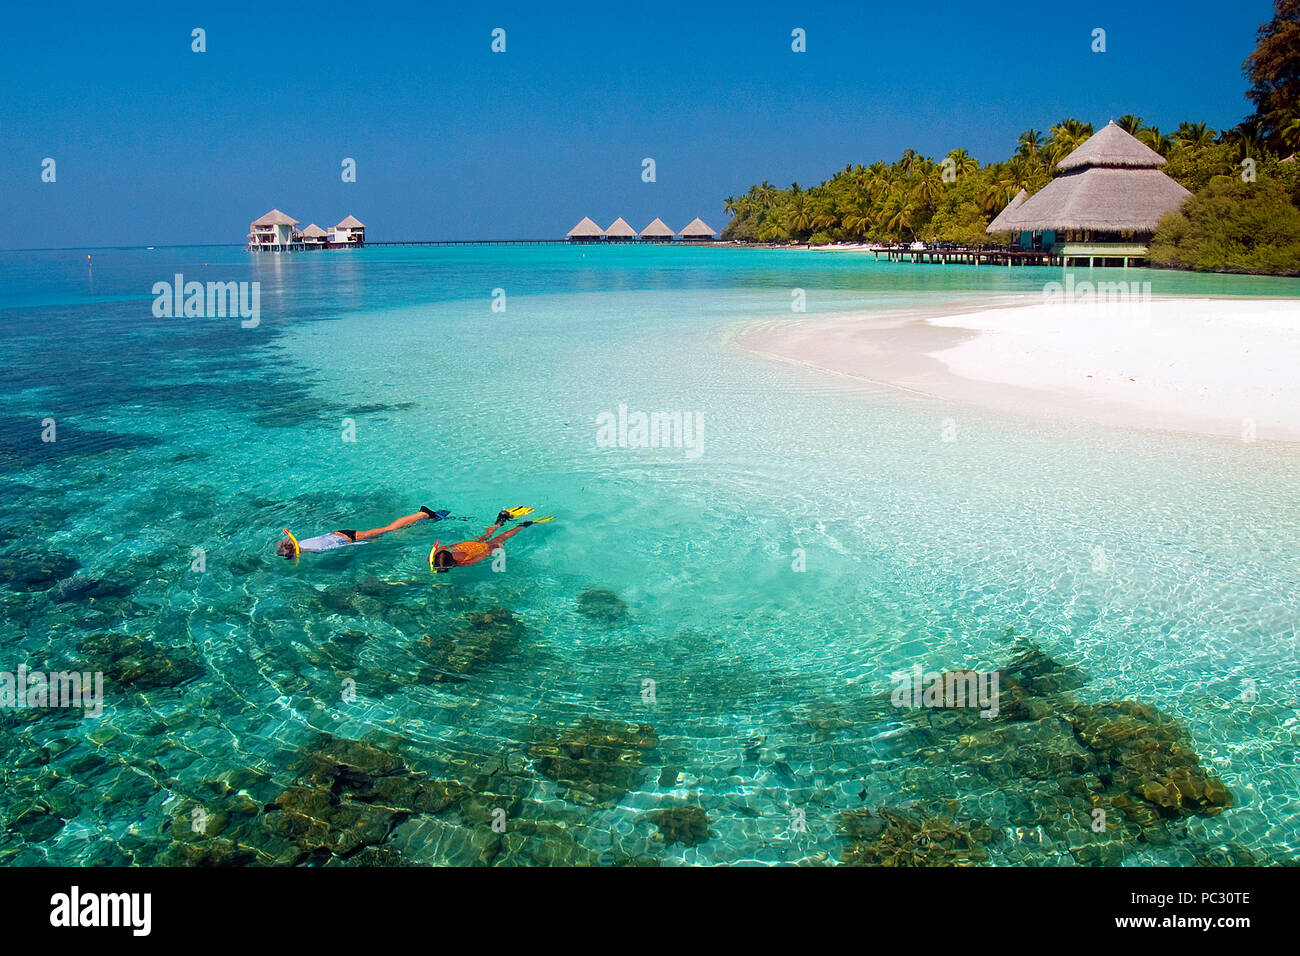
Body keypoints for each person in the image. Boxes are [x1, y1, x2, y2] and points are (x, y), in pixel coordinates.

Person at [278, 505, 448, 558]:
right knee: (384, 532)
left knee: (389, 529)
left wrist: (362, 542)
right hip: (340, 533)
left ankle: (423, 514)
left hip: (349, 537)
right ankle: (419, 518)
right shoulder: (301, 542)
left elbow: (336, 546)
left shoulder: (310, 549)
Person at [430, 507, 551, 572]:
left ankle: (523, 525)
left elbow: (486, 554)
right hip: (465, 545)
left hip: (478, 548)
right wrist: (455, 545)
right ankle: (500, 521)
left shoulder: (466, 563)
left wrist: (496, 547)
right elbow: (442, 548)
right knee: (486, 535)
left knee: (501, 538)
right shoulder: (436, 554)